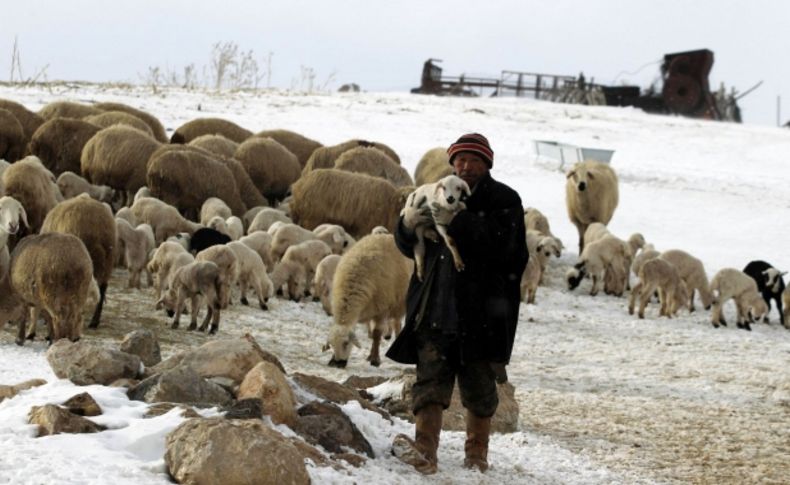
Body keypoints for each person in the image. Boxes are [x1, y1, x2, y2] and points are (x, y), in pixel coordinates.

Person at [388, 133, 528, 474]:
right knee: (429, 381)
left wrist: (460, 223)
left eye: (474, 161)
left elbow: (510, 252)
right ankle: (425, 448)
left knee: (480, 387)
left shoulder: (504, 200)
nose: (466, 167)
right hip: (435, 303)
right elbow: (409, 245)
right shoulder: (436, 191)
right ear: (453, 163)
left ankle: (477, 453)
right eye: (460, 160)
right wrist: (406, 227)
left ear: (487, 164)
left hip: (481, 313)